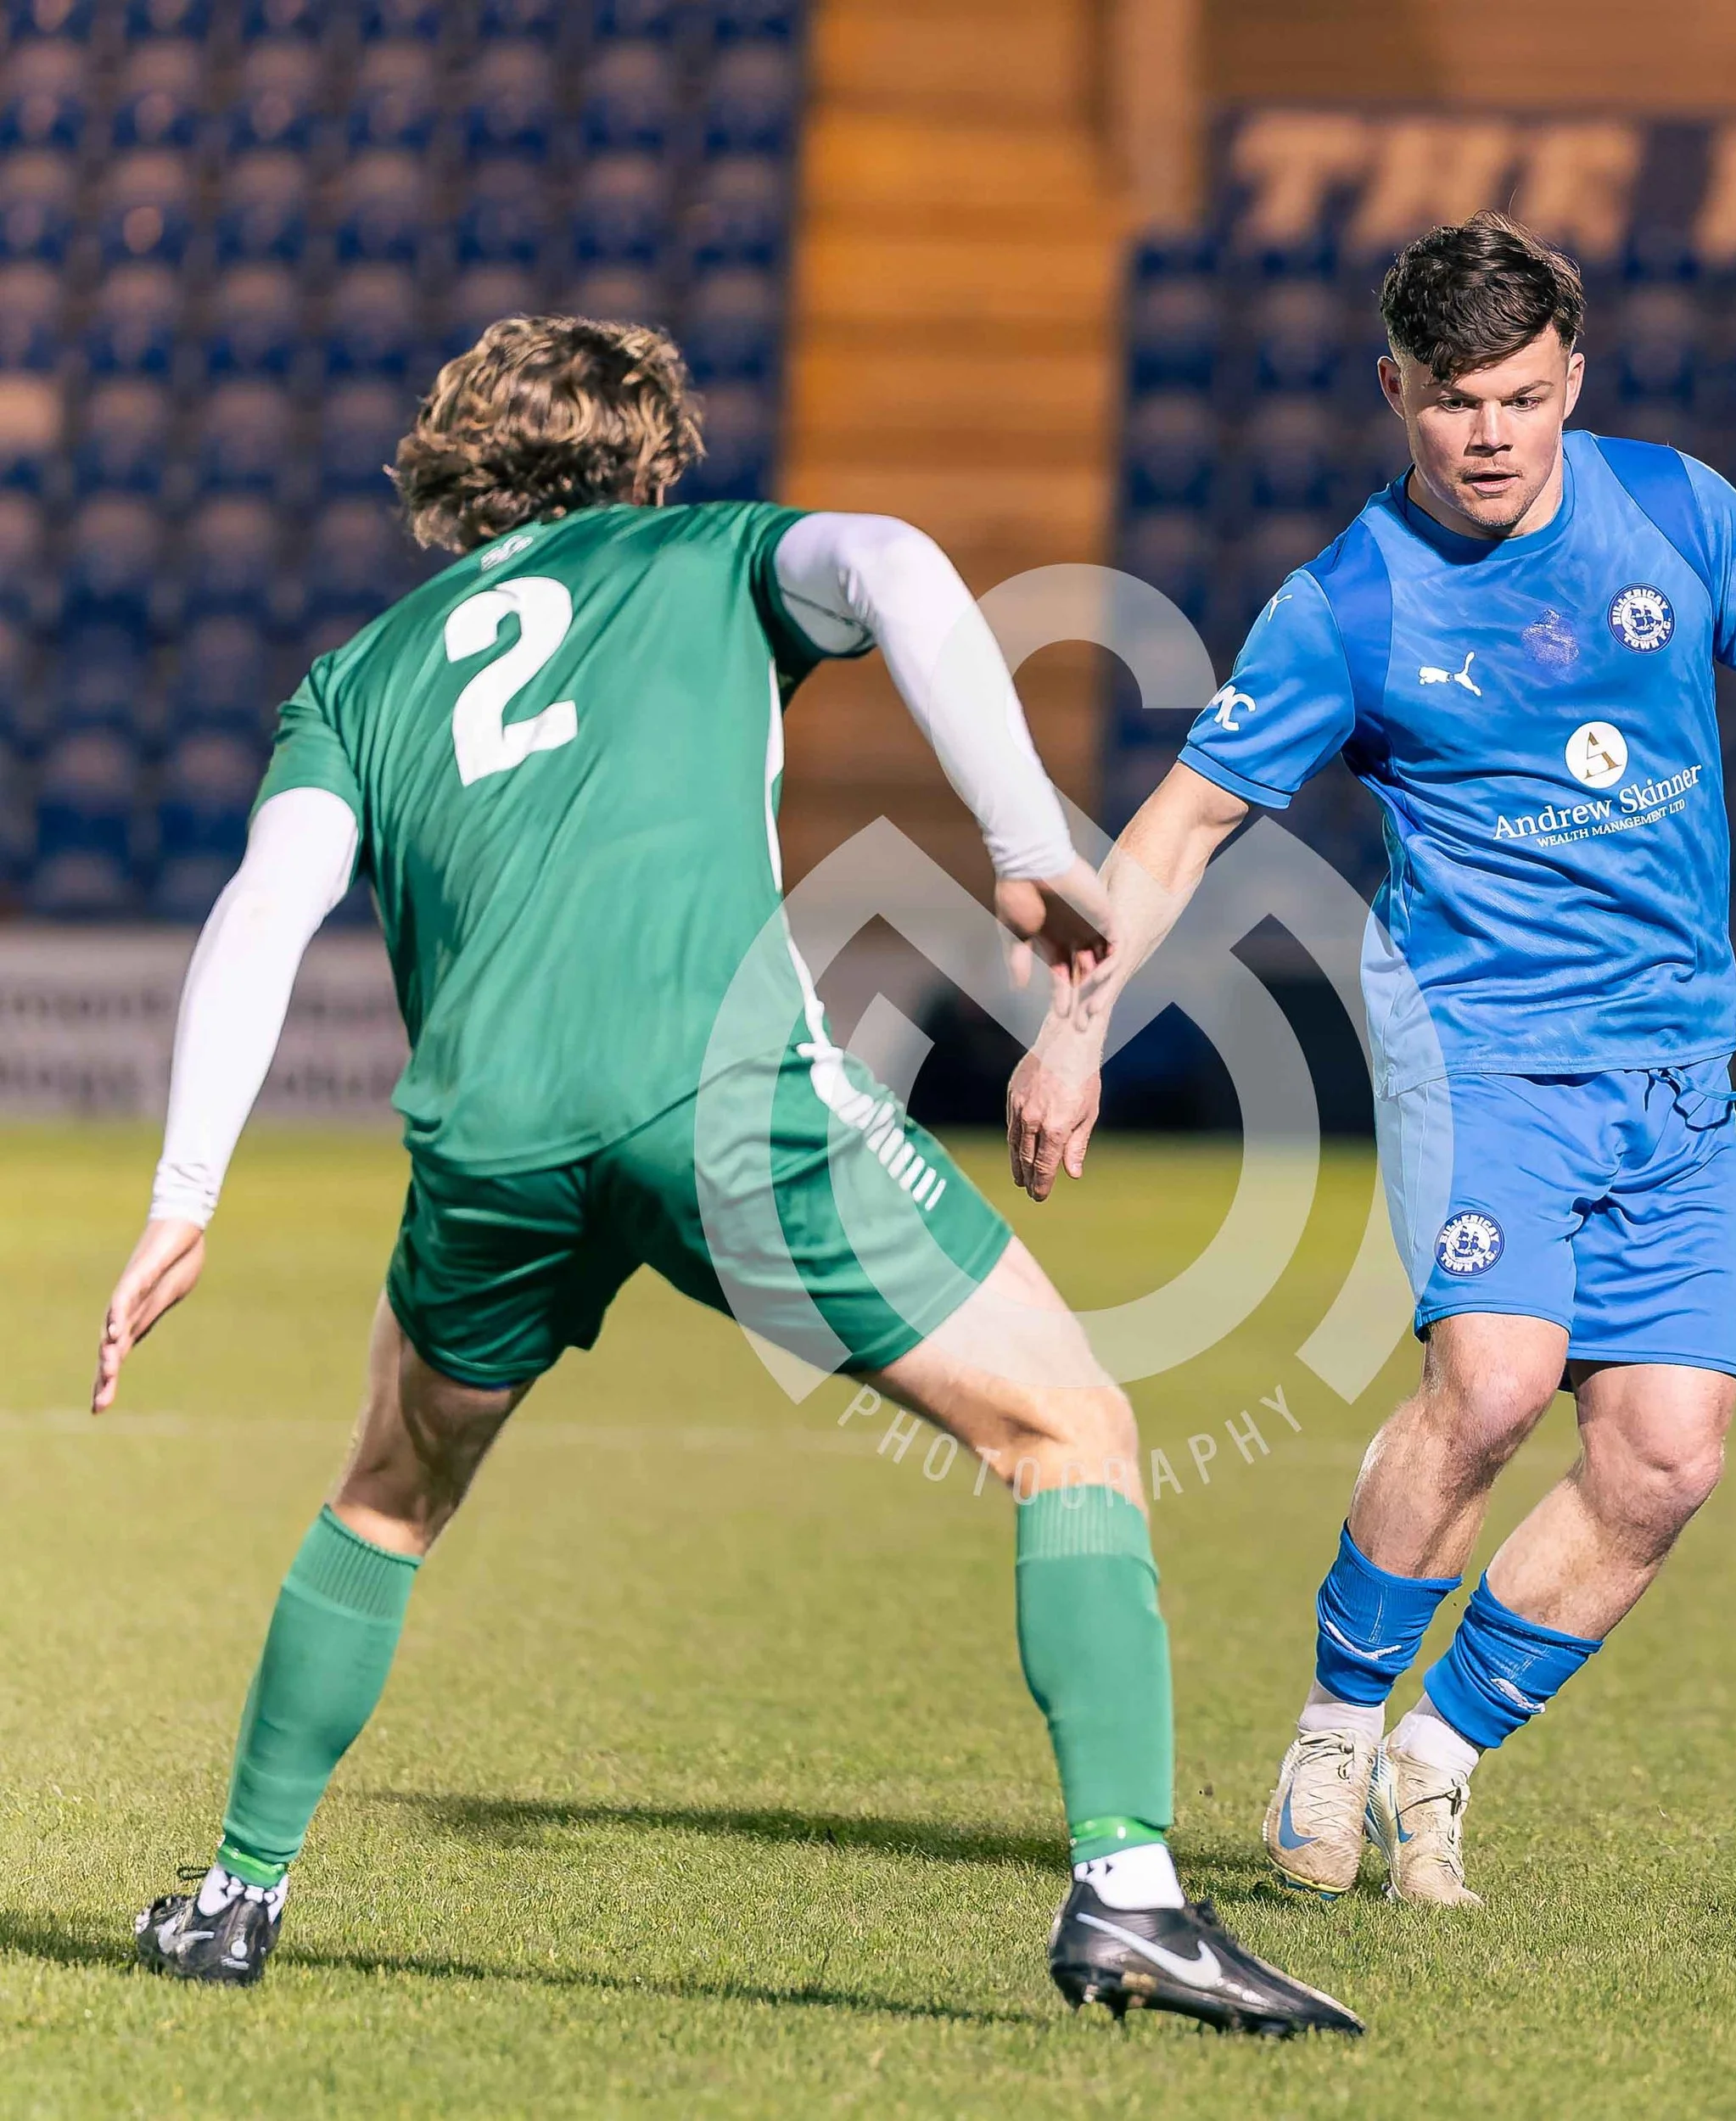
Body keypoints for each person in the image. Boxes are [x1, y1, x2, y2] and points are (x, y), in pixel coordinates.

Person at [94, 316, 1360, 2034]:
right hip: (716, 1097)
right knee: (1072, 1429)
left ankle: (237, 1895)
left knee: (388, 1490)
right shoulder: (708, 552)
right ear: (643, 461)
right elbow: (904, 564)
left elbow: (264, 908)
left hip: (491, 1138)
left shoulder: (360, 676)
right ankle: (1126, 1897)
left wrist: (185, 1191)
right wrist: (1016, 841)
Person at [1005, 214, 1736, 1909]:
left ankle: (1434, 1756)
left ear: (1574, 383)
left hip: (1672, 1068)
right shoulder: (1345, 602)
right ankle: (1332, 1725)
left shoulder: (1674, 511)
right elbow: (1178, 827)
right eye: (1454, 399)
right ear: (1394, 385)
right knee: (1485, 1383)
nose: (1488, 435)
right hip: (1475, 1041)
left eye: (1524, 398)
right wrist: (1072, 1025)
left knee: (1662, 1453)